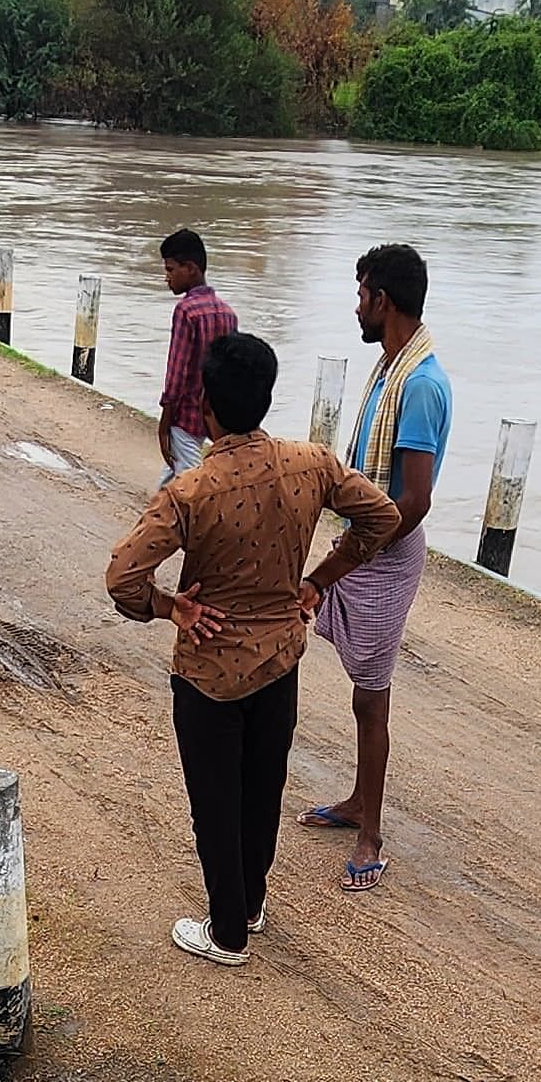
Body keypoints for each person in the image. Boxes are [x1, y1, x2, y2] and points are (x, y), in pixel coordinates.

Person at [104, 334, 401, 968]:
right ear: (265, 398)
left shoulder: (189, 491)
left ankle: (226, 933)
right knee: (263, 788)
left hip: (208, 671)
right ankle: (252, 905)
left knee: (215, 800)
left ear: (206, 406)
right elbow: (383, 517)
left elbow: (123, 579)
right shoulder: (311, 463)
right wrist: (320, 578)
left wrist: (169, 606)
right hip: (280, 659)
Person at [302, 244, 447, 891]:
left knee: (372, 697)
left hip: (386, 554)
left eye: (361, 294)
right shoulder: (392, 369)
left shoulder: (419, 384)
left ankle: (371, 831)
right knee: (364, 692)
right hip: (368, 541)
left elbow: (413, 500)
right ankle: (359, 802)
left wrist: (350, 554)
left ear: (382, 301)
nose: (355, 306)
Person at [155, 230, 235, 480]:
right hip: (213, 418)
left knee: (187, 482)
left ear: (190, 268)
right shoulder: (227, 313)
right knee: (171, 479)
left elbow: (176, 374)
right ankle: (156, 516)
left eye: (170, 270)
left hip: (185, 417)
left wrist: (165, 422)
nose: (166, 278)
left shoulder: (186, 311)